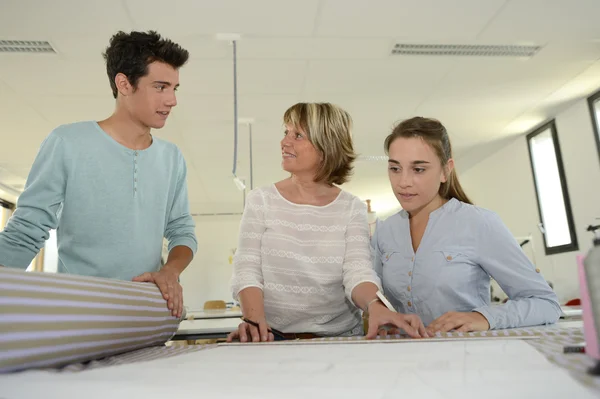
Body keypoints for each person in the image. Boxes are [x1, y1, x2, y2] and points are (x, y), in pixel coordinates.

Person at [0, 31, 197, 318]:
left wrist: (170, 271)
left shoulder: (172, 157)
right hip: (81, 309)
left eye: (174, 89)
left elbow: (182, 231)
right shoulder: (67, 142)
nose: (172, 100)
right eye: (160, 86)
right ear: (124, 84)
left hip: (147, 310)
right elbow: (27, 229)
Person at [227, 103, 428, 343]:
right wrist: (253, 321)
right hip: (272, 337)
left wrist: (375, 304)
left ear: (326, 147)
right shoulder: (261, 200)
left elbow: (357, 271)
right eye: (286, 132)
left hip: (339, 338)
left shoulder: (351, 208)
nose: (285, 142)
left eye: (298, 135)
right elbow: (247, 267)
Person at [372, 116, 561, 334]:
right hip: (401, 360)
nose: (403, 182)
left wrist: (484, 317)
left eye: (419, 169)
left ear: (445, 170)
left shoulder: (479, 223)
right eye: (395, 168)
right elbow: (377, 301)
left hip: (466, 358)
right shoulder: (385, 231)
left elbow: (545, 303)